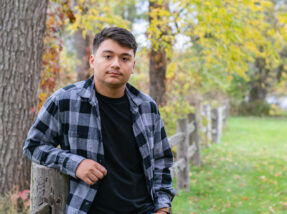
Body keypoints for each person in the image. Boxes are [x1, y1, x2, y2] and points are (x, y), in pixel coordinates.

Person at [23, 27, 175, 214]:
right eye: (108, 56)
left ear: (133, 65)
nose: (116, 64)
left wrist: (162, 207)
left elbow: (162, 161)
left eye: (124, 58)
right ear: (93, 61)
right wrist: (75, 164)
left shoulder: (147, 107)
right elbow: (33, 145)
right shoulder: (65, 101)